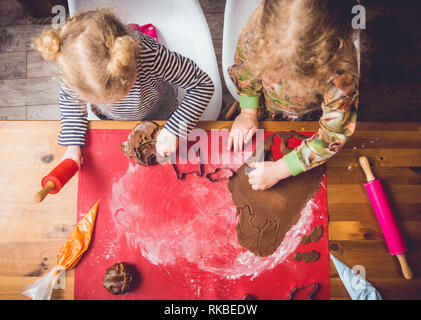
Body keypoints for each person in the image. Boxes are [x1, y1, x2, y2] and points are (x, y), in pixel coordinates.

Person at [34, 9, 214, 166]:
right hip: (113, 120)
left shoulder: (150, 56)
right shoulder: (73, 69)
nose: (114, 101)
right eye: (100, 100)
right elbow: (71, 103)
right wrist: (73, 145)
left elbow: (202, 85)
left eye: (122, 93)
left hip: (161, 113)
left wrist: (175, 129)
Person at [227, 0, 359, 190]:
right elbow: (245, 69)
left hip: (312, 118)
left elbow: (333, 134)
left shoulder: (341, 73)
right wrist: (248, 112)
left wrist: (280, 170)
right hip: (267, 108)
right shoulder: (259, 28)